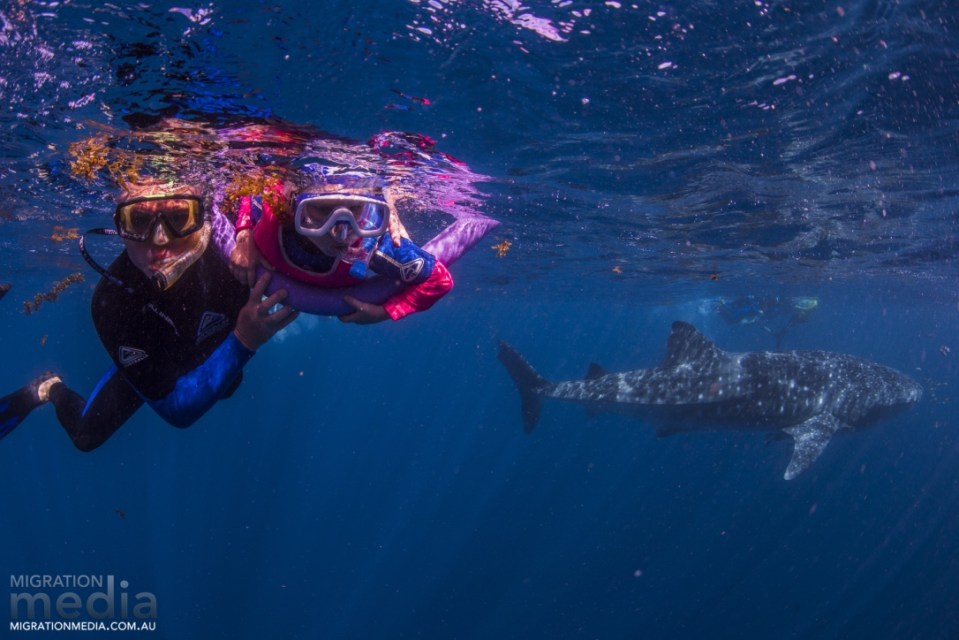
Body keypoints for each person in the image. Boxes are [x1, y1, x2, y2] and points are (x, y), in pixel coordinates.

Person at [0, 181, 298, 450]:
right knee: (85, 436)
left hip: (210, 351)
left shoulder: (235, 249)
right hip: (157, 360)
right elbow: (177, 411)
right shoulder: (113, 301)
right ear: (118, 226)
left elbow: (315, 247)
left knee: (228, 388)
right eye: (139, 220)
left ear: (202, 216)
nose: (160, 240)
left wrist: (345, 301)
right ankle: (50, 388)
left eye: (179, 217)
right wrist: (244, 341)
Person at [228, 173, 453, 324]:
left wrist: (385, 312)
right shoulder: (273, 210)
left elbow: (439, 280)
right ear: (292, 206)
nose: (340, 232)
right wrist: (243, 234)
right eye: (323, 210)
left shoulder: (375, 248)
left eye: (354, 209)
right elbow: (249, 189)